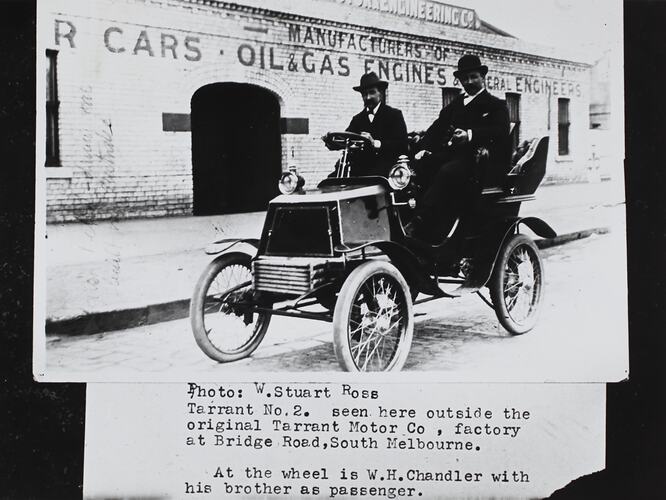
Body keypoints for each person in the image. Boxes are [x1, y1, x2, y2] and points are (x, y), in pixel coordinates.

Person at [410, 54, 511, 241]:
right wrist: (420, 149)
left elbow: (500, 132)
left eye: (473, 77)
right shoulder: (455, 105)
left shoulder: (496, 105)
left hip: (478, 162)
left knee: (447, 172)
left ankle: (422, 218)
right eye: (464, 78)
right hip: (452, 157)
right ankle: (426, 225)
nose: (469, 81)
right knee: (421, 166)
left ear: (483, 77)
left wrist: (470, 135)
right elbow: (436, 129)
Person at [326, 72, 408, 177]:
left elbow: (402, 145)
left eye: (372, 92)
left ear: (380, 93)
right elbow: (347, 139)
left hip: (385, 170)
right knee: (330, 182)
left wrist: (375, 143)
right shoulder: (357, 119)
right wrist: (331, 141)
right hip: (359, 170)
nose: (368, 97)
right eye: (364, 94)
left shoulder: (394, 115)